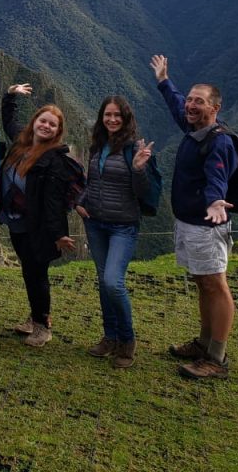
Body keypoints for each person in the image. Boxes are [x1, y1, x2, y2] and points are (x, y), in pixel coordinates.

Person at [151, 54, 238, 379]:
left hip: (207, 227)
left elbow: (218, 177)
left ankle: (216, 357)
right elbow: (175, 105)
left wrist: (216, 201)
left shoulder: (220, 142)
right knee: (203, 282)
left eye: (198, 102)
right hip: (189, 223)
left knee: (215, 284)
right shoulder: (194, 130)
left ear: (215, 108)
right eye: (190, 99)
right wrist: (163, 80)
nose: (190, 105)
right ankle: (203, 343)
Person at [76, 96, 155, 368]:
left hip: (123, 225)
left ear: (126, 118)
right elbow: (91, 182)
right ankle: (109, 337)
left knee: (113, 282)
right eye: (107, 115)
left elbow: (143, 192)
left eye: (117, 115)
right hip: (95, 223)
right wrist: (80, 201)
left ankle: (127, 340)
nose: (111, 119)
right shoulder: (98, 146)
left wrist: (138, 170)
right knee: (103, 281)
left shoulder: (134, 148)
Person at [0, 84, 78, 347]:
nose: (46, 127)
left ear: (57, 132)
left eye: (52, 125)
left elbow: (52, 203)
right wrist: (11, 94)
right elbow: (8, 118)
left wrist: (58, 235)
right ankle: (35, 317)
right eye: (43, 121)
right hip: (16, 221)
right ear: (35, 122)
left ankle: (43, 326)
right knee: (29, 271)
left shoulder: (53, 160)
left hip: (37, 227)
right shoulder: (22, 142)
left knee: (37, 273)